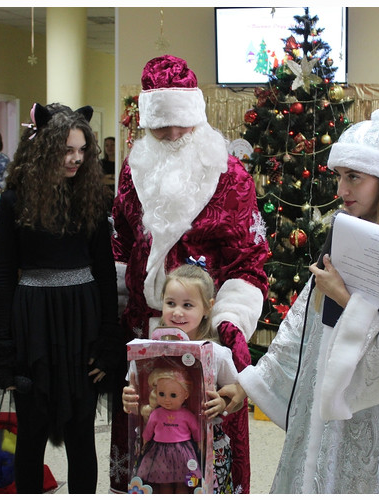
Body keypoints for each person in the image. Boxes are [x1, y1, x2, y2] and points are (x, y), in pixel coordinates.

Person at [219, 109, 379, 494]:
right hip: (326, 411)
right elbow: (303, 324)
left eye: (353, 177)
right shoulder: (346, 230)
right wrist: (249, 383)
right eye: (340, 176)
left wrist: (346, 298)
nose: (341, 190)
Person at [110, 54, 269, 494]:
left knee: (204, 457)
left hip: (208, 336)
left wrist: (229, 324)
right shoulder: (131, 172)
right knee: (146, 444)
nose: (174, 135)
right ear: (146, 124)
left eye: (183, 124)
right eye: (162, 126)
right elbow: (120, 247)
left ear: (197, 117)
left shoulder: (228, 175)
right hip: (147, 332)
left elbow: (249, 261)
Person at [0, 102, 125, 493]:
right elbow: (3, 275)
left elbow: (103, 272)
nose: (76, 159)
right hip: (33, 318)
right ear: (45, 147)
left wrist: (108, 339)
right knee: (31, 429)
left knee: (82, 429)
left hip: (81, 317)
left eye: (82, 150)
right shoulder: (14, 200)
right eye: (67, 150)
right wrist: (2, 348)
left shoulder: (93, 198)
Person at [123, 263, 239, 493]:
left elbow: (236, 392)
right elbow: (135, 389)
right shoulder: (148, 352)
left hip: (205, 447)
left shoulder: (216, 353)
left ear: (208, 307)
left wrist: (223, 402)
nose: (177, 312)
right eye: (170, 303)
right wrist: (129, 399)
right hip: (157, 447)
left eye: (187, 305)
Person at [134, 367, 202, 494]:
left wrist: (199, 444)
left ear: (186, 395)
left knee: (182, 483)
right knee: (164, 483)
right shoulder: (156, 414)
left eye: (173, 395)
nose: (167, 399)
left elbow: (196, 431)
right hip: (160, 451)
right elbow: (148, 432)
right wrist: (143, 445)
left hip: (182, 451)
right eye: (161, 394)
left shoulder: (187, 415)